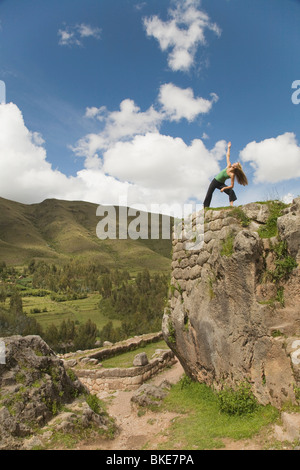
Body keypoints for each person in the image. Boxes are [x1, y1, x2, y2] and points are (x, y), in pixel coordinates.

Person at [203, 142, 248, 208]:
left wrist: (224, 188)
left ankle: (231, 206)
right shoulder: (229, 166)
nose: (234, 163)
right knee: (209, 194)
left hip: (221, 184)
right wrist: (229, 148)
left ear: (236, 167)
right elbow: (228, 156)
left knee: (231, 191)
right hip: (215, 181)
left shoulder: (232, 175)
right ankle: (205, 207)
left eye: (236, 163)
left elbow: (232, 186)